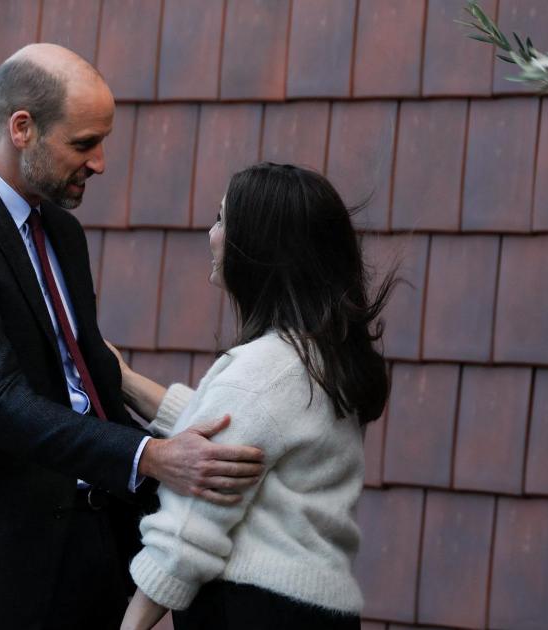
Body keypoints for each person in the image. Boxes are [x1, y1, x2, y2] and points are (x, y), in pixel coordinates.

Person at [0, 43, 264, 630]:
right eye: (84, 143)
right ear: (22, 128)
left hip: (95, 551)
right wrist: (153, 457)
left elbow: (88, 377)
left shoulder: (62, 232)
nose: (100, 162)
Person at [112, 163, 394, 630]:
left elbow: (188, 528)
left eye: (222, 219)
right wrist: (124, 380)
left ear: (258, 248)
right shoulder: (319, 356)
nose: (211, 233)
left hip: (250, 610)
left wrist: (133, 623)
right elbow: (247, 430)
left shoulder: (261, 372)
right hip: (320, 610)